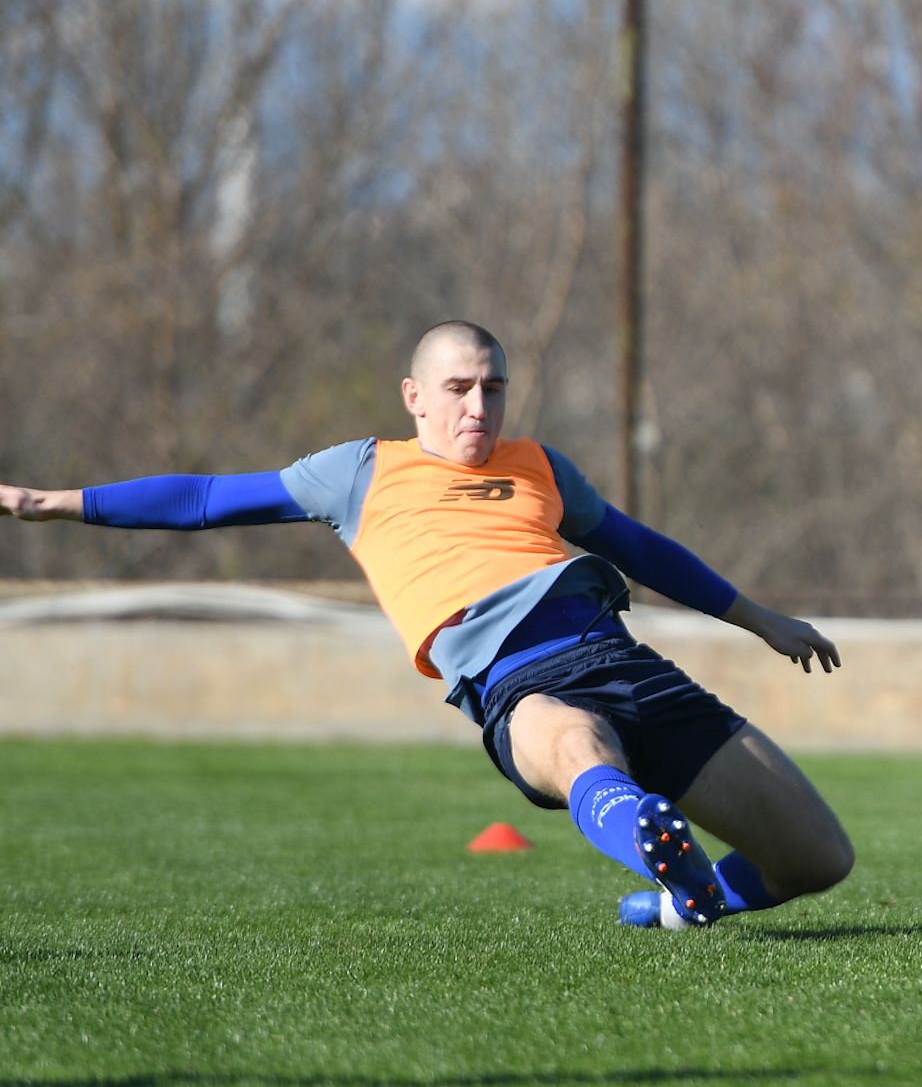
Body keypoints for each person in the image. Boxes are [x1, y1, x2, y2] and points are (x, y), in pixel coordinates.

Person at [1, 320, 854, 930]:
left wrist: (758, 618)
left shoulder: (543, 468)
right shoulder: (359, 473)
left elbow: (640, 548)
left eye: (493, 387)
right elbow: (206, 496)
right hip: (517, 683)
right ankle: (650, 838)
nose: (478, 405)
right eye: (458, 388)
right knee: (575, 751)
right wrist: (55, 504)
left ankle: (676, 897)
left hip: (623, 659)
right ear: (415, 397)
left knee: (819, 859)